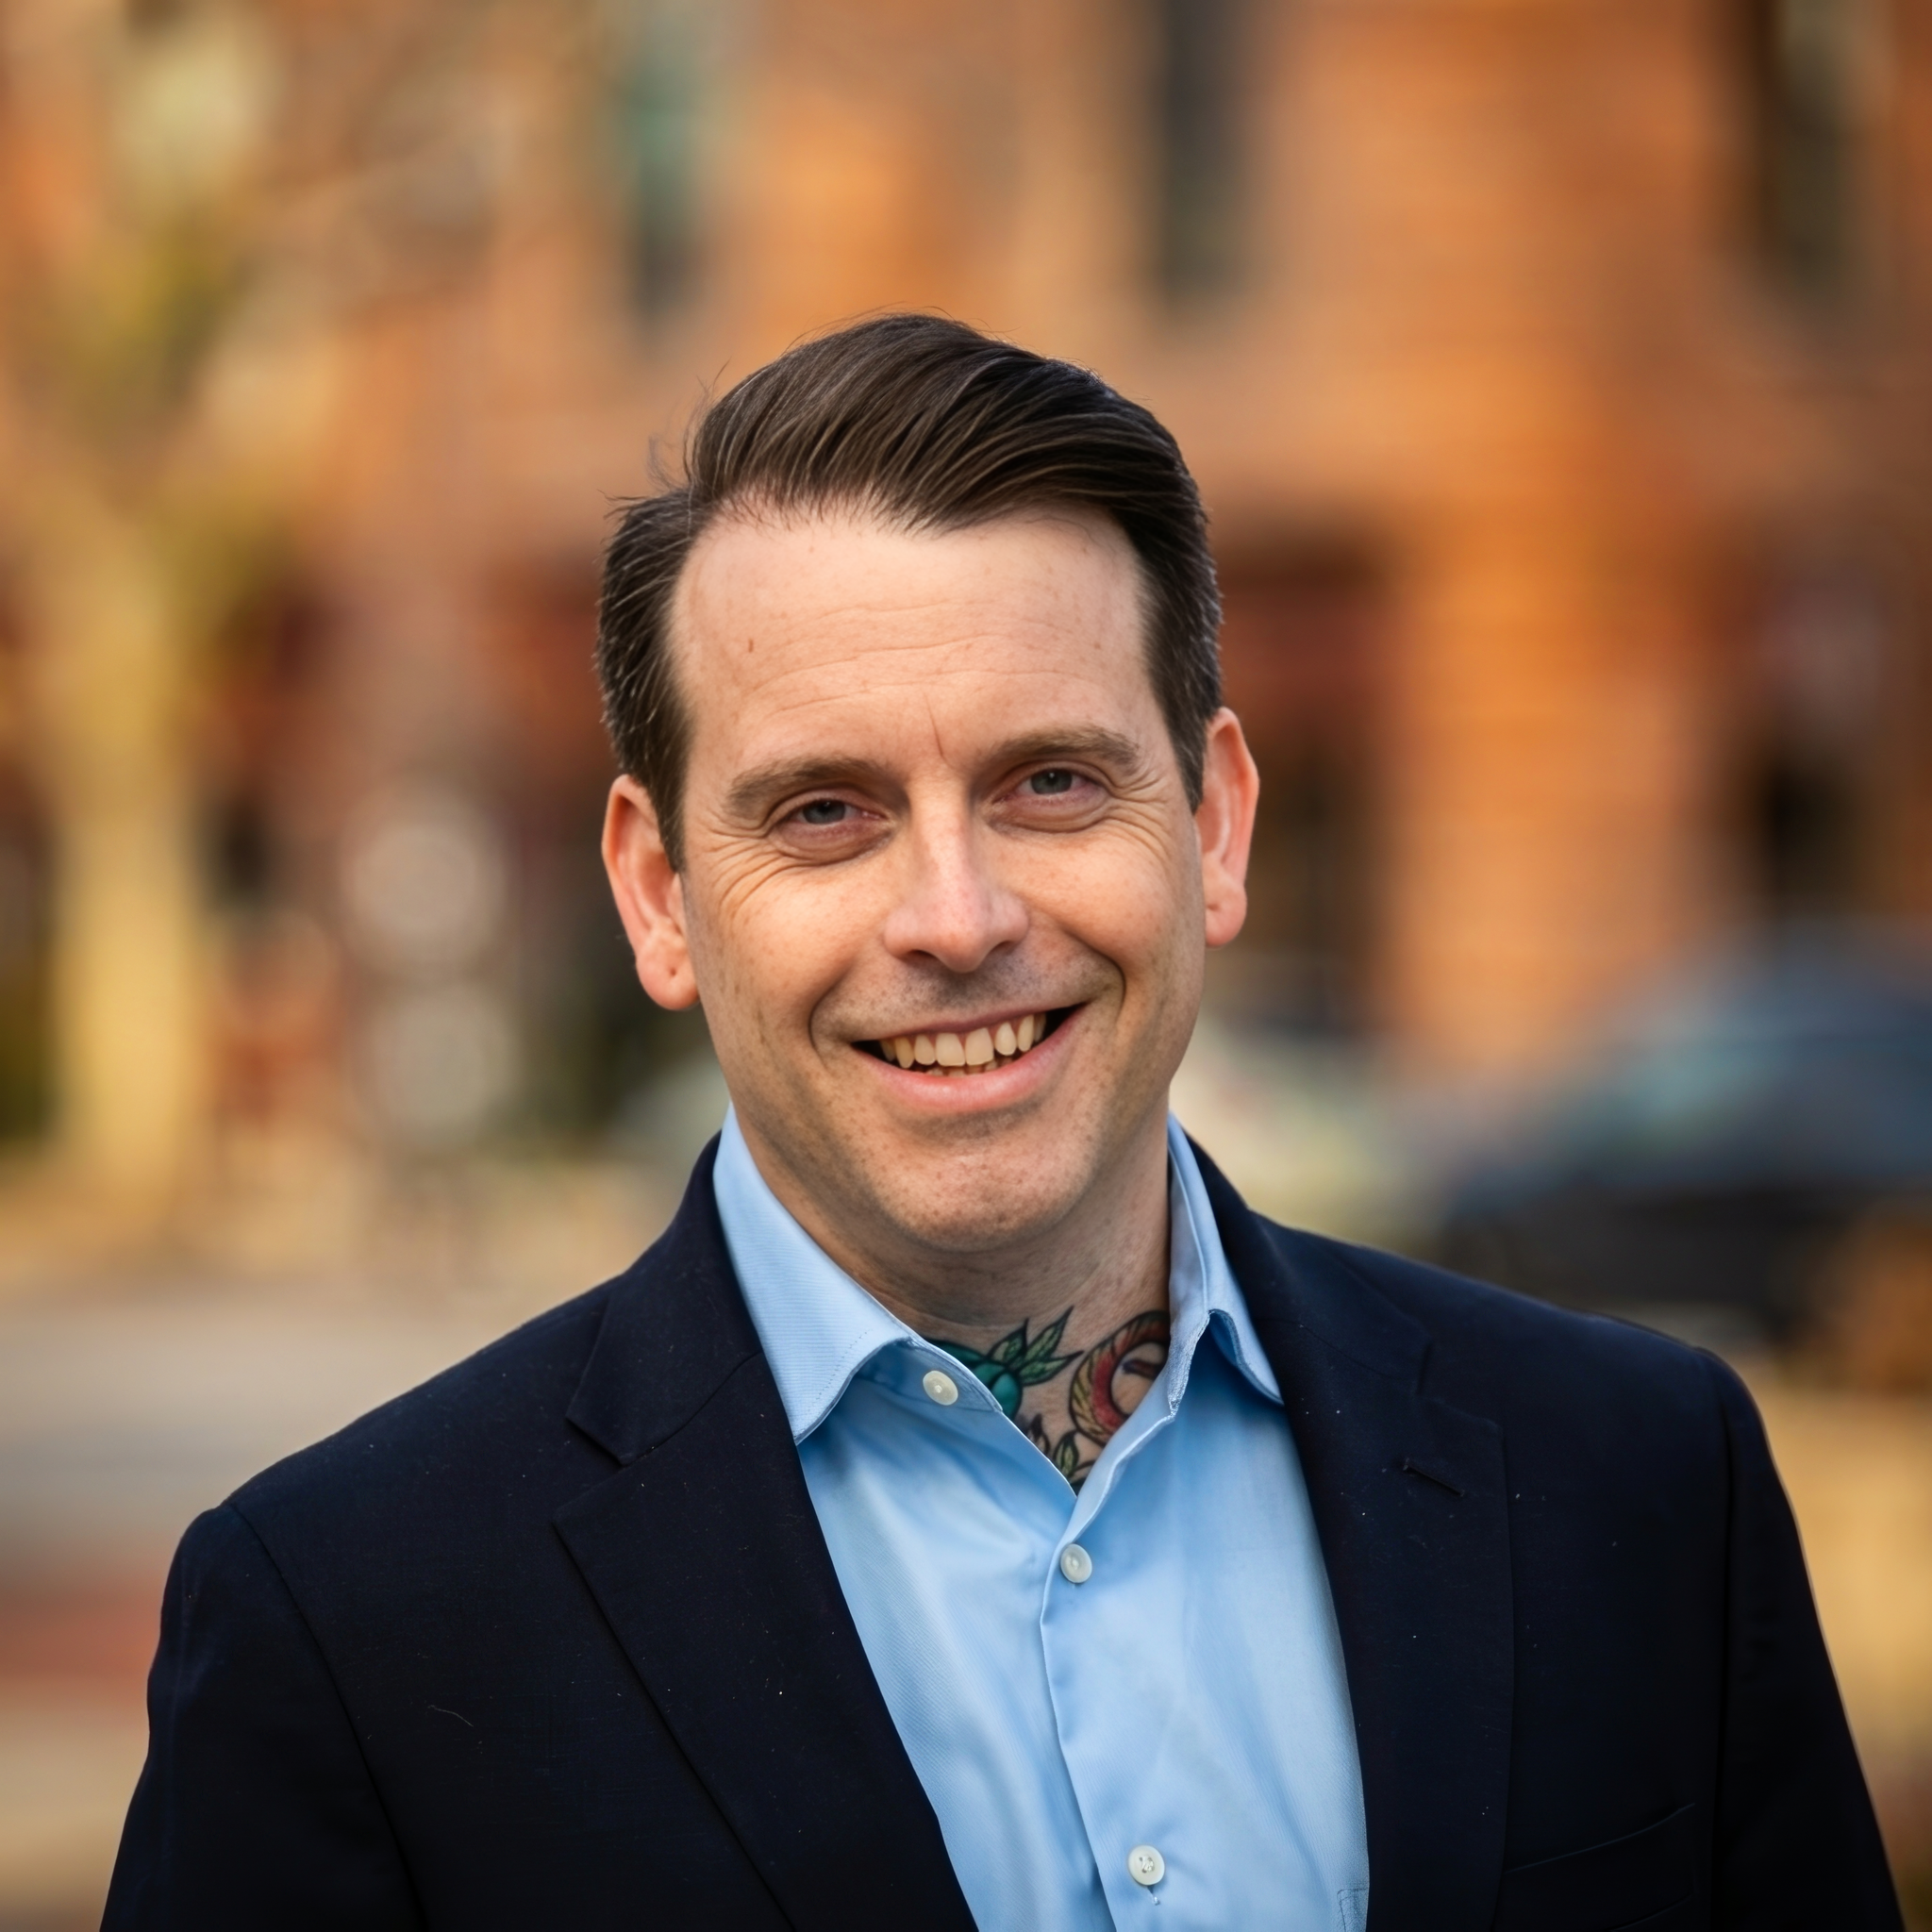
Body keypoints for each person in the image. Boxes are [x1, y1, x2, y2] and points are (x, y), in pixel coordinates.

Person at [104, 315, 1901, 1931]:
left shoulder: (1641, 1485)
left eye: (1051, 782)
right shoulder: (350, 1621)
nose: (956, 919)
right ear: (659, 897)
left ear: (1211, 825)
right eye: (823, 812)